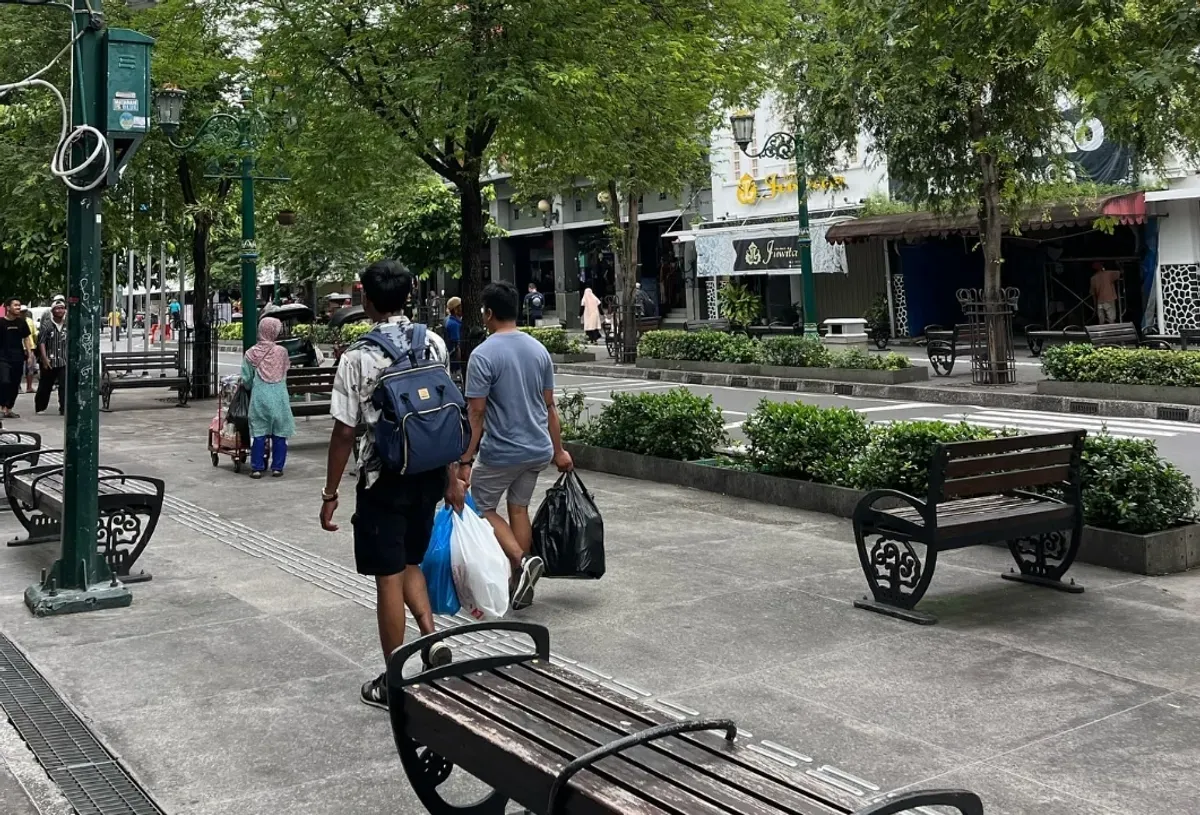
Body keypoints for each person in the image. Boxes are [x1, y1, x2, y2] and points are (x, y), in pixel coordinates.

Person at [321, 259, 461, 710]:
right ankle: (431, 637)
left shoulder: (358, 356)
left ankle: (395, 681)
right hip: (429, 472)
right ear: (409, 293)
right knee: (411, 560)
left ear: (366, 298)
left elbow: (344, 431)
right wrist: (456, 472)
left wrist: (330, 494)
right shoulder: (433, 342)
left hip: (383, 478)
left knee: (387, 577)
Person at [459, 281, 573, 611]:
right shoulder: (538, 350)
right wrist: (558, 450)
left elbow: (476, 412)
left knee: (476, 506)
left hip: (503, 451)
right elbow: (550, 406)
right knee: (518, 507)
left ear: (489, 313)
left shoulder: (483, 355)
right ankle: (516, 582)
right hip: (537, 448)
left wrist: (466, 457)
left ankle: (522, 562)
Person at [241, 317, 296, 478]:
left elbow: (246, 379)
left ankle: (257, 468)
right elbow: (285, 371)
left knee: (258, 433)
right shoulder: (282, 352)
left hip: (260, 397)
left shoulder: (251, 353)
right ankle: (277, 467)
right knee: (280, 433)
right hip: (280, 398)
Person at [0, 299, 32, 418]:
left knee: (15, 384)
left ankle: (9, 408)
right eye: (16, 305)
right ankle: (2, 406)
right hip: (3, 357)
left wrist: (30, 354)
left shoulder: (22, 322)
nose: (18, 307)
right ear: (8, 308)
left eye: (19, 305)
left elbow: (26, 338)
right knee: (4, 381)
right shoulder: (1, 322)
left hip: (18, 357)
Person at [35, 299, 67, 416]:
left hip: (64, 359)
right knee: (45, 385)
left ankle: (63, 407)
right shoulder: (47, 325)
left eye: (62, 308)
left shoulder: (68, 324)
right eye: (57, 308)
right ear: (52, 311)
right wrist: (44, 358)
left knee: (64, 385)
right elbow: (41, 342)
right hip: (50, 360)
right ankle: (40, 407)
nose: (60, 310)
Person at [444, 296, 464, 380]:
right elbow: (457, 345)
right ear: (456, 309)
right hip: (455, 363)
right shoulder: (453, 324)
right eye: (461, 306)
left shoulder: (450, 320)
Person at [23, 305, 38, 394]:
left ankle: (29, 387)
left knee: (30, 368)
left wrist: (35, 344)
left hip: (31, 347)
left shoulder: (30, 321)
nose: (23, 313)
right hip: (19, 348)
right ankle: (18, 387)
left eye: (25, 311)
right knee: (18, 369)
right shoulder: (16, 321)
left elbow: (34, 334)